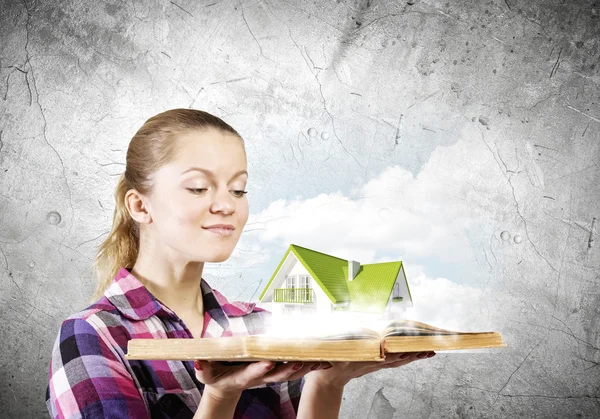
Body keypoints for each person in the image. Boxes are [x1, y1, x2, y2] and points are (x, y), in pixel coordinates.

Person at [45, 108, 435, 419]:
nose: (227, 205)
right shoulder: (93, 335)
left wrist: (326, 384)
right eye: (198, 187)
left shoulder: (262, 326)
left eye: (238, 188)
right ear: (139, 205)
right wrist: (220, 394)